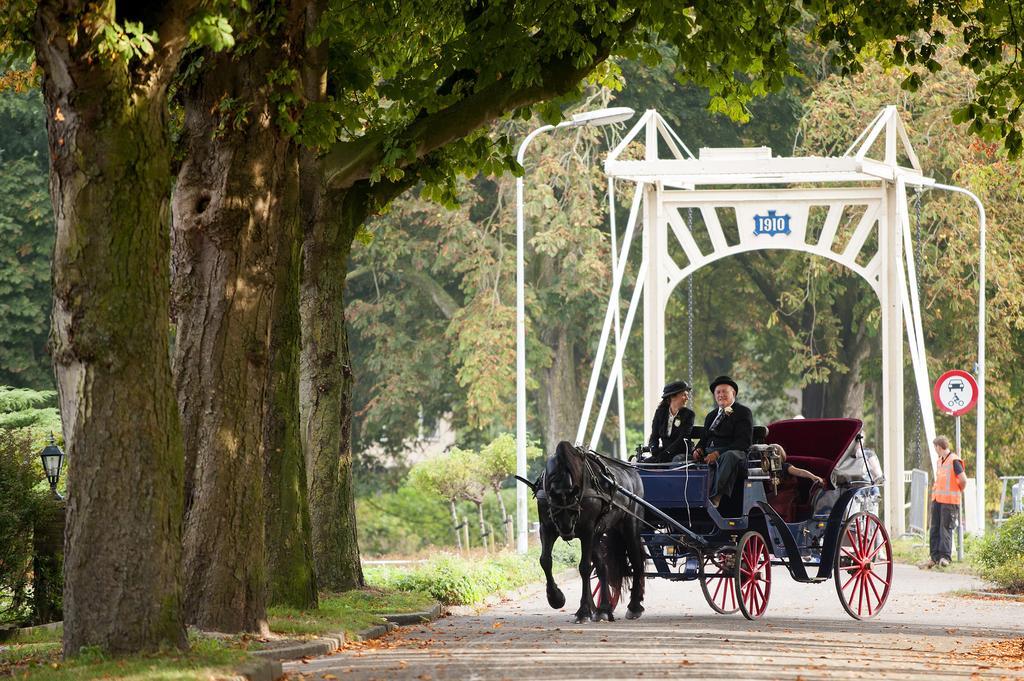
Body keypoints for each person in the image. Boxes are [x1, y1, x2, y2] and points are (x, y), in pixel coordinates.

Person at [693, 375, 753, 508]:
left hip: (735, 453)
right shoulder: (711, 416)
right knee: (681, 458)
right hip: (709, 453)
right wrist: (698, 449)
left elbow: (743, 443)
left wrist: (718, 453)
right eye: (718, 392)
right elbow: (703, 439)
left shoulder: (743, 412)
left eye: (724, 391)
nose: (721, 395)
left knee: (729, 456)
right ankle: (687, 496)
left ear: (734, 393)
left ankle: (715, 497)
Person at [926, 435, 967, 568]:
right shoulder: (940, 461)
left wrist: (959, 490)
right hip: (938, 500)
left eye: (935, 448)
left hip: (950, 501)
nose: (935, 450)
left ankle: (945, 558)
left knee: (946, 529)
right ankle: (934, 557)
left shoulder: (954, 460)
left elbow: (963, 479)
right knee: (934, 529)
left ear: (939, 447)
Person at [646, 380, 695, 463]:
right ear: (673, 396)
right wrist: (654, 448)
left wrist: (667, 453)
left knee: (675, 461)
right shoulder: (660, 413)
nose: (687, 398)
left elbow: (682, 438)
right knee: (644, 464)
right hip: (665, 452)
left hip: (681, 453)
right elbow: (654, 436)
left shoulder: (689, 415)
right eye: (684, 395)